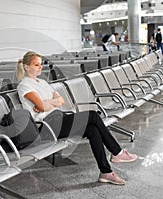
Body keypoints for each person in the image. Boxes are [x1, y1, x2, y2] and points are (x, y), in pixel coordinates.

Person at [16, 51, 138, 185]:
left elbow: (60, 101)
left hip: (59, 118)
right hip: (47, 126)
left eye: (41, 64)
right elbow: (42, 107)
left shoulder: (43, 82)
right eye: (36, 64)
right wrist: (49, 103)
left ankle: (106, 172)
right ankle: (117, 152)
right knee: (92, 115)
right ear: (27, 67)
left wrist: (48, 103)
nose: (40, 67)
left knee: (93, 130)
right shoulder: (24, 86)